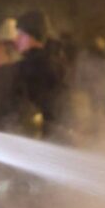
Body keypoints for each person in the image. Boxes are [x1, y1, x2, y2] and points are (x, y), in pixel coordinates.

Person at [14, 10, 73, 141]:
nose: (16, 40)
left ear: (34, 36)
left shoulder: (34, 66)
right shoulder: (56, 59)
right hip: (60, 135)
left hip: (45, 139)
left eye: (21, 35)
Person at [80, 34, 105, 132]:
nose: (100, 43)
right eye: (98, 41)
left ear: (104, 43)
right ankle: (95, 128)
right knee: (94, 108)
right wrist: (86, 82)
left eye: (101, 41)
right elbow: (86, 69)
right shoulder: (91, 54)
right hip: (94, 86)